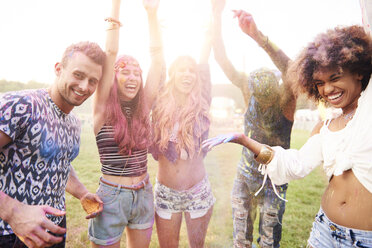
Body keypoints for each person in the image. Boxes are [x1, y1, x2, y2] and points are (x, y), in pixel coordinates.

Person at [203, 24, 372, 247]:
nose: (328, 89)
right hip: (324, 231)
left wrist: (260, 37)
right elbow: (295, 165)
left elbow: (287, 68)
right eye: (320, 83)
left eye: (335, 78)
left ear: (359, 70)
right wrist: (243, 140)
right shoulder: (326, 124)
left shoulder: (368, 112)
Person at [0, 40, 105, 248]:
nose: (85, 86)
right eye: (78, 75)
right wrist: (11, 210)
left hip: (54, 231)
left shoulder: (74, 123)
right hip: (10, 234)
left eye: (93, 80)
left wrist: (83, 193)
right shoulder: (22, 105)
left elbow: (60, 164)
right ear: (59, 69)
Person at [211, 0, 296, 247]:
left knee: (269, 242)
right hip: (245, 175)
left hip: (274, 180)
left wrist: (257, 36)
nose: (264, 103)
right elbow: (221, 58)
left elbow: (291, 68)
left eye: (268, 98)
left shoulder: (286, 100)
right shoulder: (249, 91)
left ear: (277, 89)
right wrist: (216, 16)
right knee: (241, 240)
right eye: (261, 99)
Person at [87, 0, 164, 247]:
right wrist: (116, 4)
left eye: (137, 72)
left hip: (143, 193)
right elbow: (110, 52)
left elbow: (159, 62)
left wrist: (152, 14)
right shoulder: (101, 109)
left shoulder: (143, 107)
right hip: (111, 197)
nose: (132, 77)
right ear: (113, 77)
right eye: (124, 71)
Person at [149, 2, 214, 247]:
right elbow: (158, 60)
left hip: (198, 191)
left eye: (191, 71)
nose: (188, 74)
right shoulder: (159, 101)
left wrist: (210, 29)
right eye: (181, 70)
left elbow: (205, 61)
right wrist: (153, 20)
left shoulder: (202, 100)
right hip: (166, 193)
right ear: (172, 75)